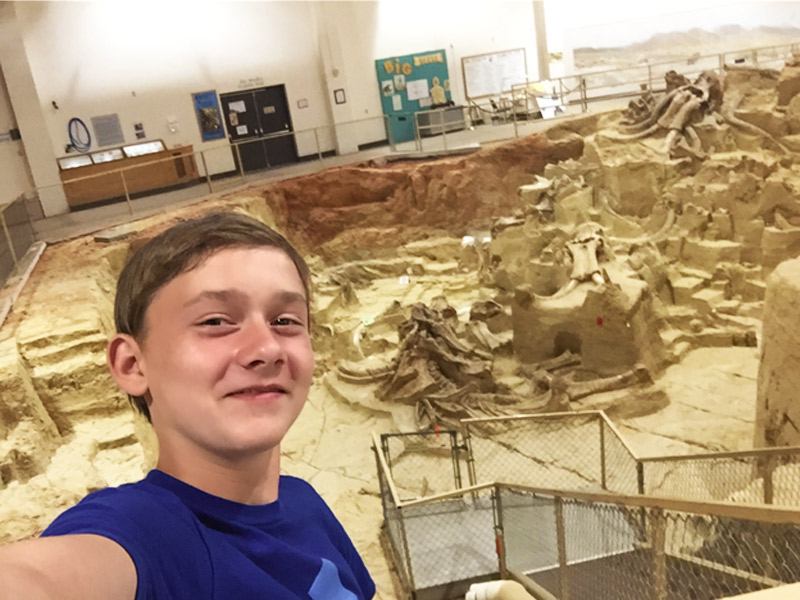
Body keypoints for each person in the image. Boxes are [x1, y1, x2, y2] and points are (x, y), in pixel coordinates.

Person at [0, 211, 375, 600]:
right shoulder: (149, 538)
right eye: (215, 321)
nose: (267, 348)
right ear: (132, 364)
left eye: (285, 320)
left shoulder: (304, 503)